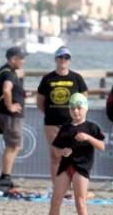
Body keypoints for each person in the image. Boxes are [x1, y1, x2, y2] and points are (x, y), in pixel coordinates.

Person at [43, 94, 105, 215]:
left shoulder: (92, 127)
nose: (76, 111)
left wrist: (88, 138)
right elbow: (55, 150)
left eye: (79, 108)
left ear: (85, 109)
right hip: (65, 166)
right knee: (55, 200)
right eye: (72, 108)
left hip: (82, 167)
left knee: (80, 202)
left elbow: (102, 146)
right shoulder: (65, 128)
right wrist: (62, 151)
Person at [37, 46, 88, 183]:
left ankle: (73, 184)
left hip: (72, 123)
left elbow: (83, 100)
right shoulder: (47, 78)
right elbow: (40, 102)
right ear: (56, 59)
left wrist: (79, 118)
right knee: (55, 155)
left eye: (66, 58)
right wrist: (52, 113)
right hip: (52, 123)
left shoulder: (76, 78)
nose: (63, 60)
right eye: (61, 57)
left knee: (73, 154)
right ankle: (57, 186)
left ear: (69, 60)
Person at [0, 46, 27, 184]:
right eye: (21, 58)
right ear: (13, 59)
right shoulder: (10, 73)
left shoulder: (3, 70)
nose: (23, 61)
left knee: (13, 145)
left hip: (5, 114)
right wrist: (10, 106)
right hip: (10, 116)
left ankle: (5, 176)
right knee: (13, 146)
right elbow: (7, 90)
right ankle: (5, 176)